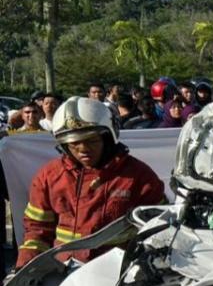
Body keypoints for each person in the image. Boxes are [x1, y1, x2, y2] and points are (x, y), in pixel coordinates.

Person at [16, 96, 165, 269]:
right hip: (62, 276)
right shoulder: (49, 176)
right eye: (73, 143)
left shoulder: (139, 176)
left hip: (119, 276)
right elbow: (37, 231)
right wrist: (24, 270)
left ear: (108, 138)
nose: (83, 149)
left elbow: (159, 229)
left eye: (91, 140)